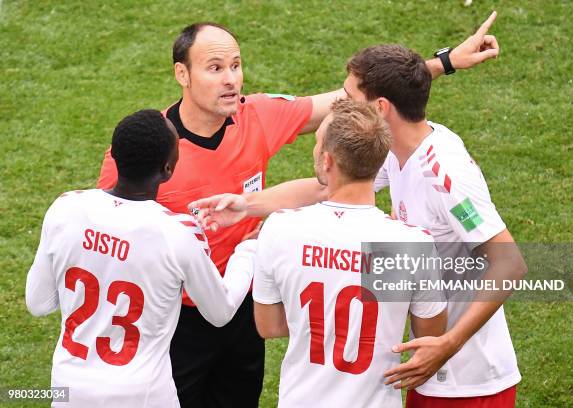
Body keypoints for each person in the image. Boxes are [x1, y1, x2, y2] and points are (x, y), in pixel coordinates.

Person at [98, 15, 501, 408]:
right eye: (215, 68)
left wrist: (442, 63)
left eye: (236, 66)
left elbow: (361, 100)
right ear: (182, 74)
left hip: (244, 306)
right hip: (176, 316)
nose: (230, 79)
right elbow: (113, 237)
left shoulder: (257, 115)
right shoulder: (144, 149)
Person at [26, 110, 255, 408]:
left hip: (69, 390)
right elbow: (220, 311)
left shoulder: (65, 208)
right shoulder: (177, 233)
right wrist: (248, 251)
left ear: (116, 157)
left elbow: (38, 303)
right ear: (168, 169)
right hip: (143, 396)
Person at [341, 44, 528, 407]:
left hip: (470, 383)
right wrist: (255, 211)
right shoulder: (395, 150)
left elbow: (510, 262)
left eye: (349, 99)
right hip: (430, 371)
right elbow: (331, 187)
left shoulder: (445, 173)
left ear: (380, 108)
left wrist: (449, 344)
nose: (341, 109)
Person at [253, 99, 448, 408]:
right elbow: (429, 336)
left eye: (317, 145)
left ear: (327, 161)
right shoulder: (410, 244)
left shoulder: (279, 229)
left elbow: (270, 326)